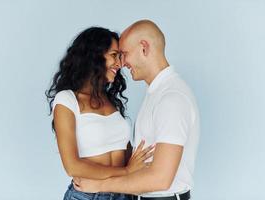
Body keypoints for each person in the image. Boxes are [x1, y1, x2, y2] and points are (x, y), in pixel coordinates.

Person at [73, 20, 200, 200]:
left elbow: (160, 178)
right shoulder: (157, 94)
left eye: (124, 54)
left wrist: (100, 186)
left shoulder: (171, 98)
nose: (122, 63)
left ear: (144, 48)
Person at [46, 27, 154, 200]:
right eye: (114, 55)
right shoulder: (67, 100)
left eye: (120, 57)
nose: (119, 64)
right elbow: (72, 166)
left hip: (124, 194)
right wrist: (126, 171)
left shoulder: (110, 100)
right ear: (93, 56)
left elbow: (127, 154)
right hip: (87, 195)